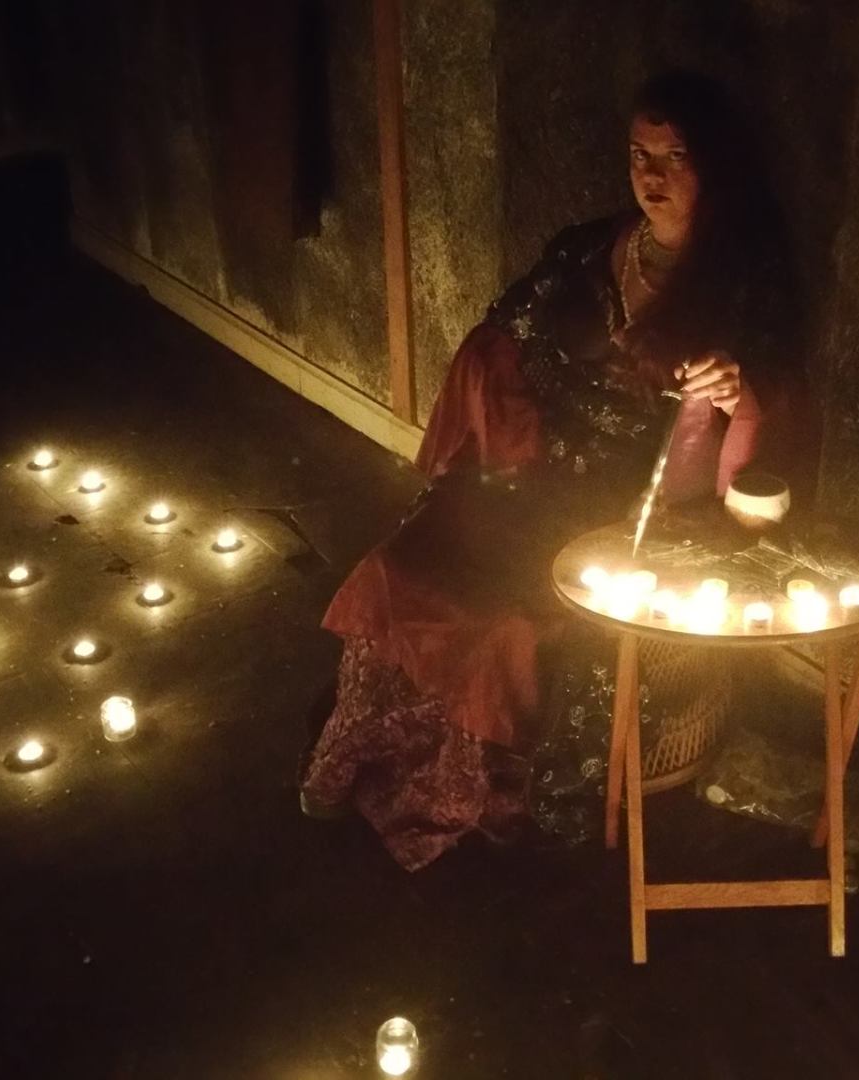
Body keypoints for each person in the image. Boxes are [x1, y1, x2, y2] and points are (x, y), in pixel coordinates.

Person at [301, 71, 816, 869]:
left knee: (512, 623)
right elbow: (503, 327)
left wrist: (734, 389)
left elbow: (776, 406)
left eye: (677, 157)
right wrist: (506, 433)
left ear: (720, 166)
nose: (651, 176)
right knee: (402, 564)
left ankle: (473, 784)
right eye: (640, 154)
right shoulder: (588, 247)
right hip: (530, 470)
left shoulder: (746, 284)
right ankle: (363, 745)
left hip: (632, 510)